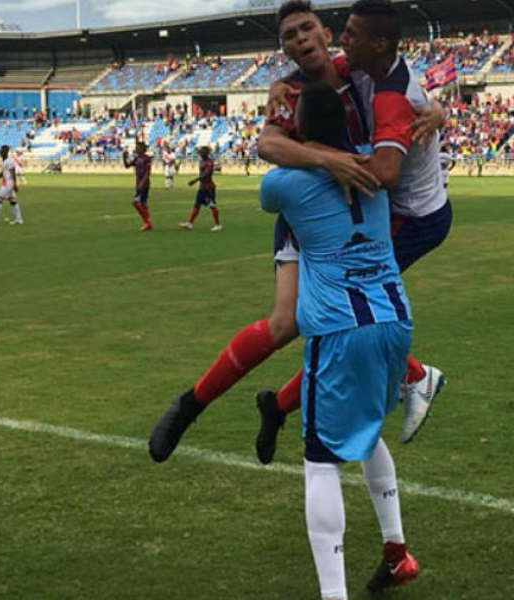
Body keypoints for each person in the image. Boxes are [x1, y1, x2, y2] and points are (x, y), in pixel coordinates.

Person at [146, 0, 446, 465]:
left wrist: (438, 110)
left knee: (334, 318)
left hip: (359, 215)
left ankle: (283, 404)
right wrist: (329, 160)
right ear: (284, 48)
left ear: (327, 35)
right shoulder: (292, 93)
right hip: (308, 214)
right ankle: (191, 405)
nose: (301, 39)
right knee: (290, 322)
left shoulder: (361, 74)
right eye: (290, 36)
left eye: (308, 28)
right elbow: (267, 142)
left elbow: (407, 92)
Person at [262, 78, 418, 600]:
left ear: (302, 127)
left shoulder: (288, 183)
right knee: (367, 429)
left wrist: (282, 125)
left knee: (320, 461)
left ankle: (334, 595)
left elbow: (267, 168)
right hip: (394, 318)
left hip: (338, 328)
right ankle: (396, 551)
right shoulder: (374, 165)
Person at [180, 146, 222, 231]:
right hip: (202, 187)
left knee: (212, 205)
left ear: (206, 153)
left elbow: (206, 174)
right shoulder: (201, 161)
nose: (200, 154)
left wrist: (195, 180)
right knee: (197, 205)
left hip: (208, 188)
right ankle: (190, 223)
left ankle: (218, 225)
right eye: (200, 152)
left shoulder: (209, 162)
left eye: (202, 152)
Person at [124, 141, 154, 231]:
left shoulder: (147, 158)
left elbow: (148, 173)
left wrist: (141, 183)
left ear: (142, 149)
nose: (136, 149)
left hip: (144, 184)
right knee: (143, 203)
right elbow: (127, 165)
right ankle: (147, 223)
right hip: (139, 184)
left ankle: (147, 222)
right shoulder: (137, 158)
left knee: (136, 202)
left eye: (138, 147)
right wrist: (124, 157)